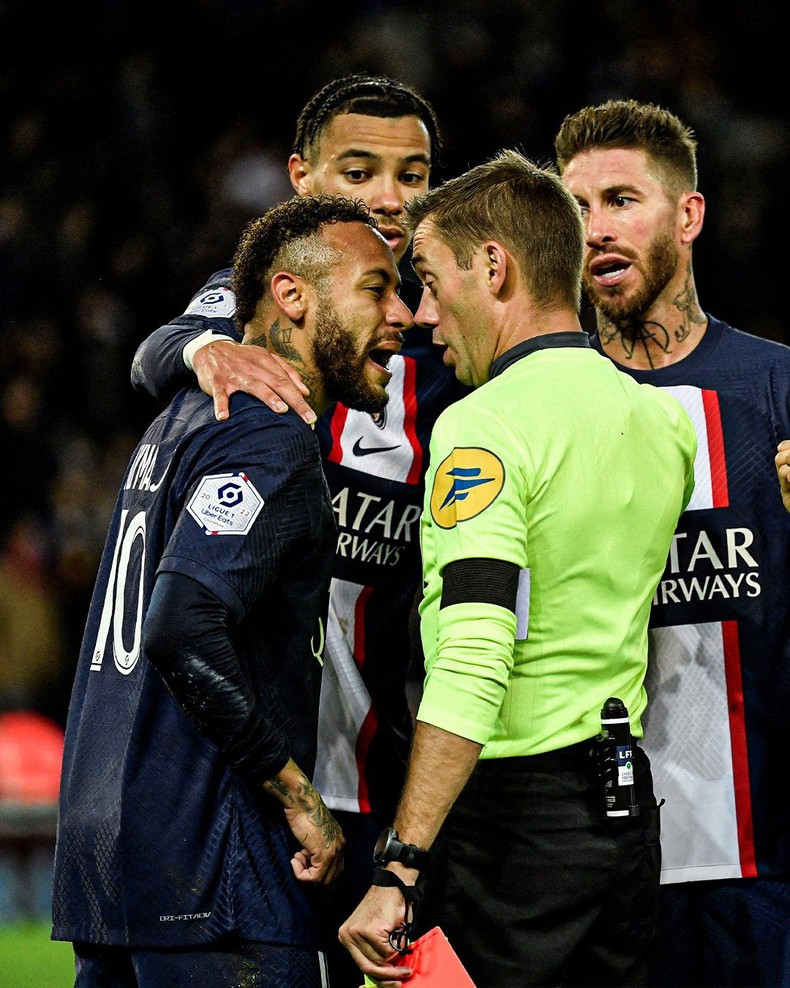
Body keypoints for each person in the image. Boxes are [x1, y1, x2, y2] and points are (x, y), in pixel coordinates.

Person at [129, 73, 469, 988]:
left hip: (380, 786)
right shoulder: (259, 329)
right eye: (358, 173)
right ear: (299, 177)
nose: (389, 198)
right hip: (257, 784)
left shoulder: (447, 355)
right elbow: (157, 346)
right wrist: (203, 348)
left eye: (413, 174)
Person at [338, 149, 697, 988]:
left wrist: (399, 867)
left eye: (428, 277)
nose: (423, 315)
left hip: (510, 834)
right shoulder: (662, 423)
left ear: (492, 267)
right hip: (622, 821)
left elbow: (475, 653)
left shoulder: (484, 428)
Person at [51, 193, 413, 988]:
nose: (406, 314)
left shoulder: (182, 418)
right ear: (292, 296)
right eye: (377, 289)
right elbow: (182, 624)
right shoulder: (269, 436)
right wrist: (295, 793)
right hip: (216, 870)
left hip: (113, 863)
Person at [554, 99, 790, 988]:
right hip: (596, 872)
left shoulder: (777, 386)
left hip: (765, 863)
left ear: (687, 215)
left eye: (621, 199)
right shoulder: (543, 403)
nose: (596, 229)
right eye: (575, 207)